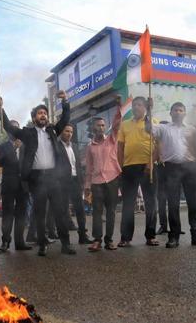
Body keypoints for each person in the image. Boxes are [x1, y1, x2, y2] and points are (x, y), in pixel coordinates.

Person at [0, 91, 76, 256]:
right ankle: (42, 244)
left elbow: (65, 119)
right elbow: (8, 127)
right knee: (40, 214)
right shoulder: (27, 133)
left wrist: (65, 101)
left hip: (54, 178)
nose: (43, 115)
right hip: (37, 179)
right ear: (34, 118)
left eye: (45, 113)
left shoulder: (53, 130)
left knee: (60, 212)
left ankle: (66, 244)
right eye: (40, 113)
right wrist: (0, 109)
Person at [148, 101, 196, 248]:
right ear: (170, 113)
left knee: (194, 203)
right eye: (175, 110)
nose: (177, 112)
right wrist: (149, 110)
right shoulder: (163, 128)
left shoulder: (192, 129)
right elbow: (148, 128)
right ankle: (174, 237)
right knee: (173, 204)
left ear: (185, 113)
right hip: (172, 169)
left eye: (180, 110)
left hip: (190, 168)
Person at [117, 96, 159, 247]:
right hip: (129, 167)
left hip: (148, 167)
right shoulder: (125, 125)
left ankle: (151, 235)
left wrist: (151, 163)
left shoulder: (153, 122)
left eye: (140, 105)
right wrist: (121, 166)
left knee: (150, 202)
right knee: (128, 203)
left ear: (145, 107)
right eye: (134, 105)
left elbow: (158, 145)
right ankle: (125, 237)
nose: (136, 107)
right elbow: (120, 147)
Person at [84, 96, 122, 252]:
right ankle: (97, 240)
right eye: (98, 125)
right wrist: (87, 186)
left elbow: (117, 123)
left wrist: (119, 106)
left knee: (111, 211)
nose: (101, 127)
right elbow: (89, 168)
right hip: (96, 182)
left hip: (112, 180)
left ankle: (109, 240)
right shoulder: (90, 147)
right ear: (93, 128)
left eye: (103, 125)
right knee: (97, 212)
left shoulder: (112, 139)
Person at [0, 120, 33, 252]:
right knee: (7, 214)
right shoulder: (2, 146)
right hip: (8, 185)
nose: (15, 130)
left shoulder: (26, 146)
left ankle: (20, 242)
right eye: (12, 128)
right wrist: (13, 148)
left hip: (23, 185)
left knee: (21, 214)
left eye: (17, 128)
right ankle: (5, 241)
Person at [56, 124, 93, 244]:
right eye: (67, 131)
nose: (69, 134)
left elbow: (78, 166)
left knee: (80, 209)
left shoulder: (75, 147)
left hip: (75, 181)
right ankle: (65, 241)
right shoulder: (55, 146)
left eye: (71, 132)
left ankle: (83, 235)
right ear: (61, 132)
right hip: (62, 182)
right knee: (63, 211)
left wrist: (82, 183)